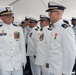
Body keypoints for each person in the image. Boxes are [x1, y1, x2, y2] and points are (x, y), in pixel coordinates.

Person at [46, 1, 76, 75]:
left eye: (51, 12)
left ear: (58, 13)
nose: (49, 15)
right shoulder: (55, 28)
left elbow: (70, 54)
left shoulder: (65, 29)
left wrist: (66, 72)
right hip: (53, 69)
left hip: (60, 71)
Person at [0, 6, 26, 75]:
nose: (9, 17)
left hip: (17, 63)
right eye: (6, 15)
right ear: (1, 17)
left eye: (10, 15)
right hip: (4, 64)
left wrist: (23, 60)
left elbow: (22, 46)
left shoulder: (18, 29)